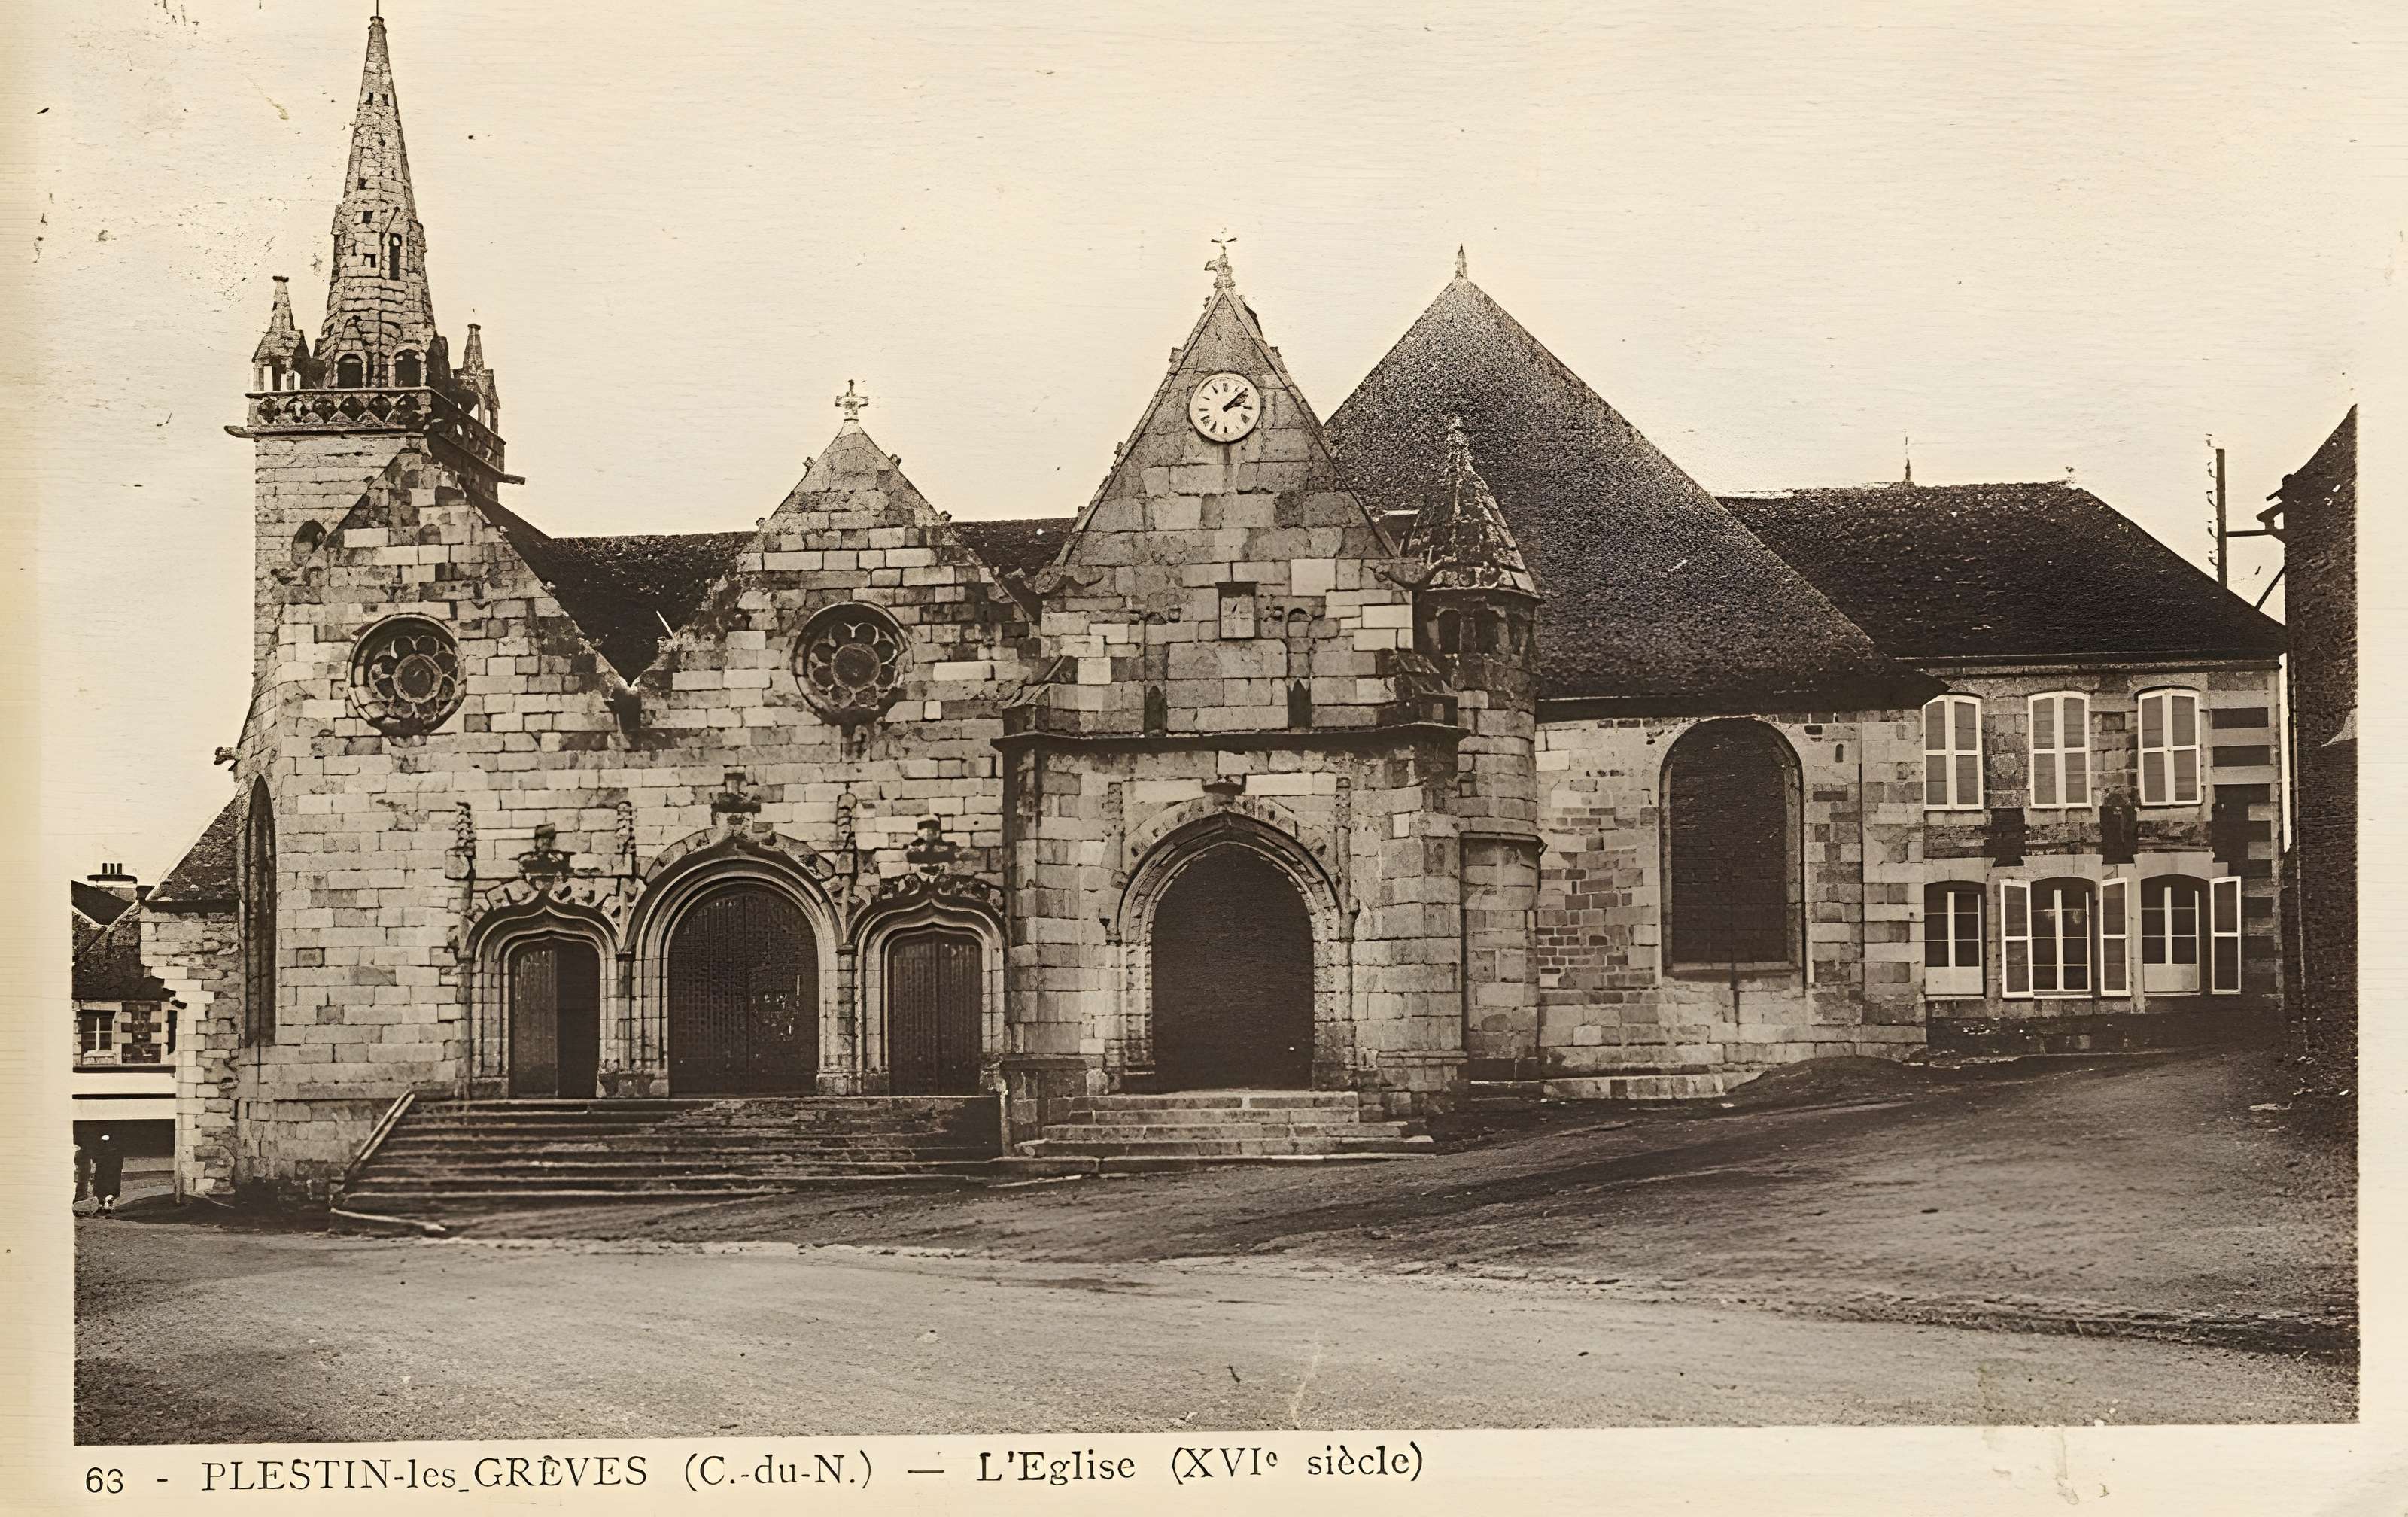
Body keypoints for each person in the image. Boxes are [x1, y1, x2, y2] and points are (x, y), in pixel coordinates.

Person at [89, 1131, 124, 1218]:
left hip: (110, 1173)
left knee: (108, 1189)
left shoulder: (115, 1151)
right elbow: (95, 1159)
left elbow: (95, 1159)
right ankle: (102, 1206)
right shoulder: (103, 1150)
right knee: (103, 1189)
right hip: (104, 1172)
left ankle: (106, 1207)